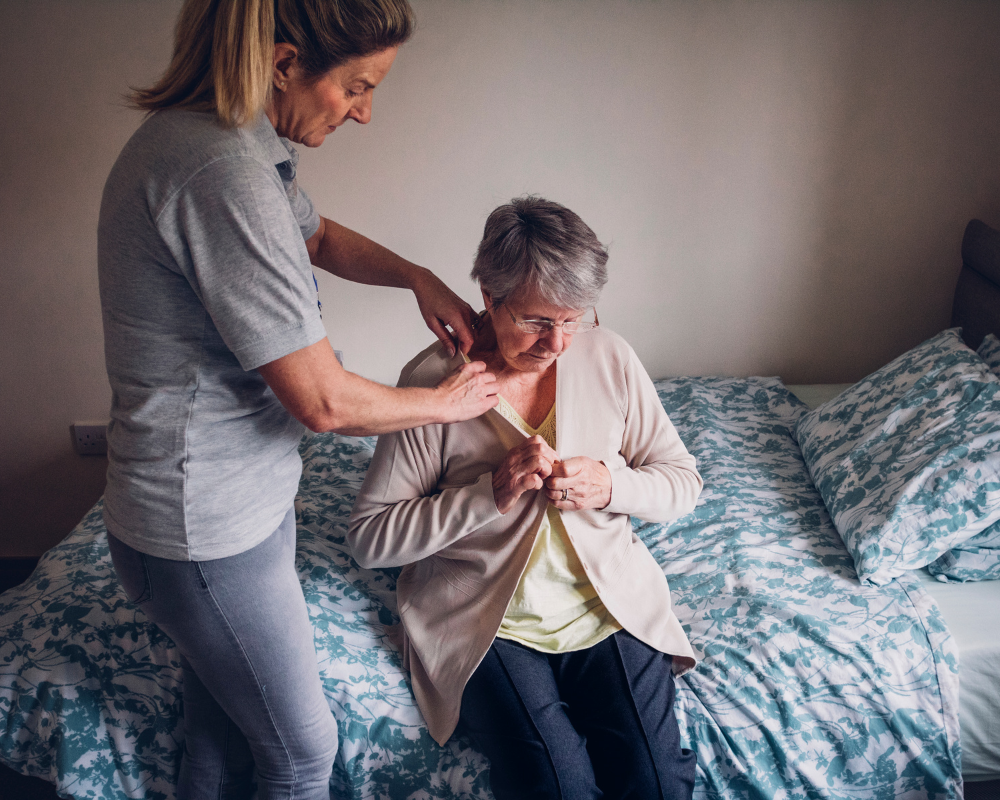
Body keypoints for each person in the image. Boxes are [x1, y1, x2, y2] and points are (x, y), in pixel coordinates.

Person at [97, 1, 498, 797]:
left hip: (216, 504)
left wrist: (415, 275)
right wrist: (447, 404)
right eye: (356, 87)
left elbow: (310, 236)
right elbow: (320, 401)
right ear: (284, 64)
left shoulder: (234, 142)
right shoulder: (220, 171)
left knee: (221, 727)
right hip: (204, 524)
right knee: (302, 754)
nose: (364, 112)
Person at [348, 196, 703, 799]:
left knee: (658, 782)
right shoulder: (435, 383)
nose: (558, 343)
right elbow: (370, 538)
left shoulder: (610, 356)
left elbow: (682, 482)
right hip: (485, 618)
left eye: (574, 319)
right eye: (537, 322)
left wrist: (611, 485)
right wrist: (488, 496)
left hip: (607, 606)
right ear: (490, 294)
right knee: (558, 784)